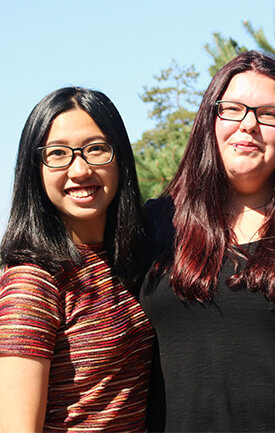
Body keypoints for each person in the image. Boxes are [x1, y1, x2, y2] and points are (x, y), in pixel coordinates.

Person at [140, 50, 275, 432]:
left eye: (269, 114)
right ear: (211, 119)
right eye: (233, 109)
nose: (249, 125)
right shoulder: (155, 225)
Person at [0, 87, 153, 432]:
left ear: (120, 159)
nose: (80, 169)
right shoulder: (33, 281)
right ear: (34, 169)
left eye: (96, 149)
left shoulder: (134, 260)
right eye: (57, 154)